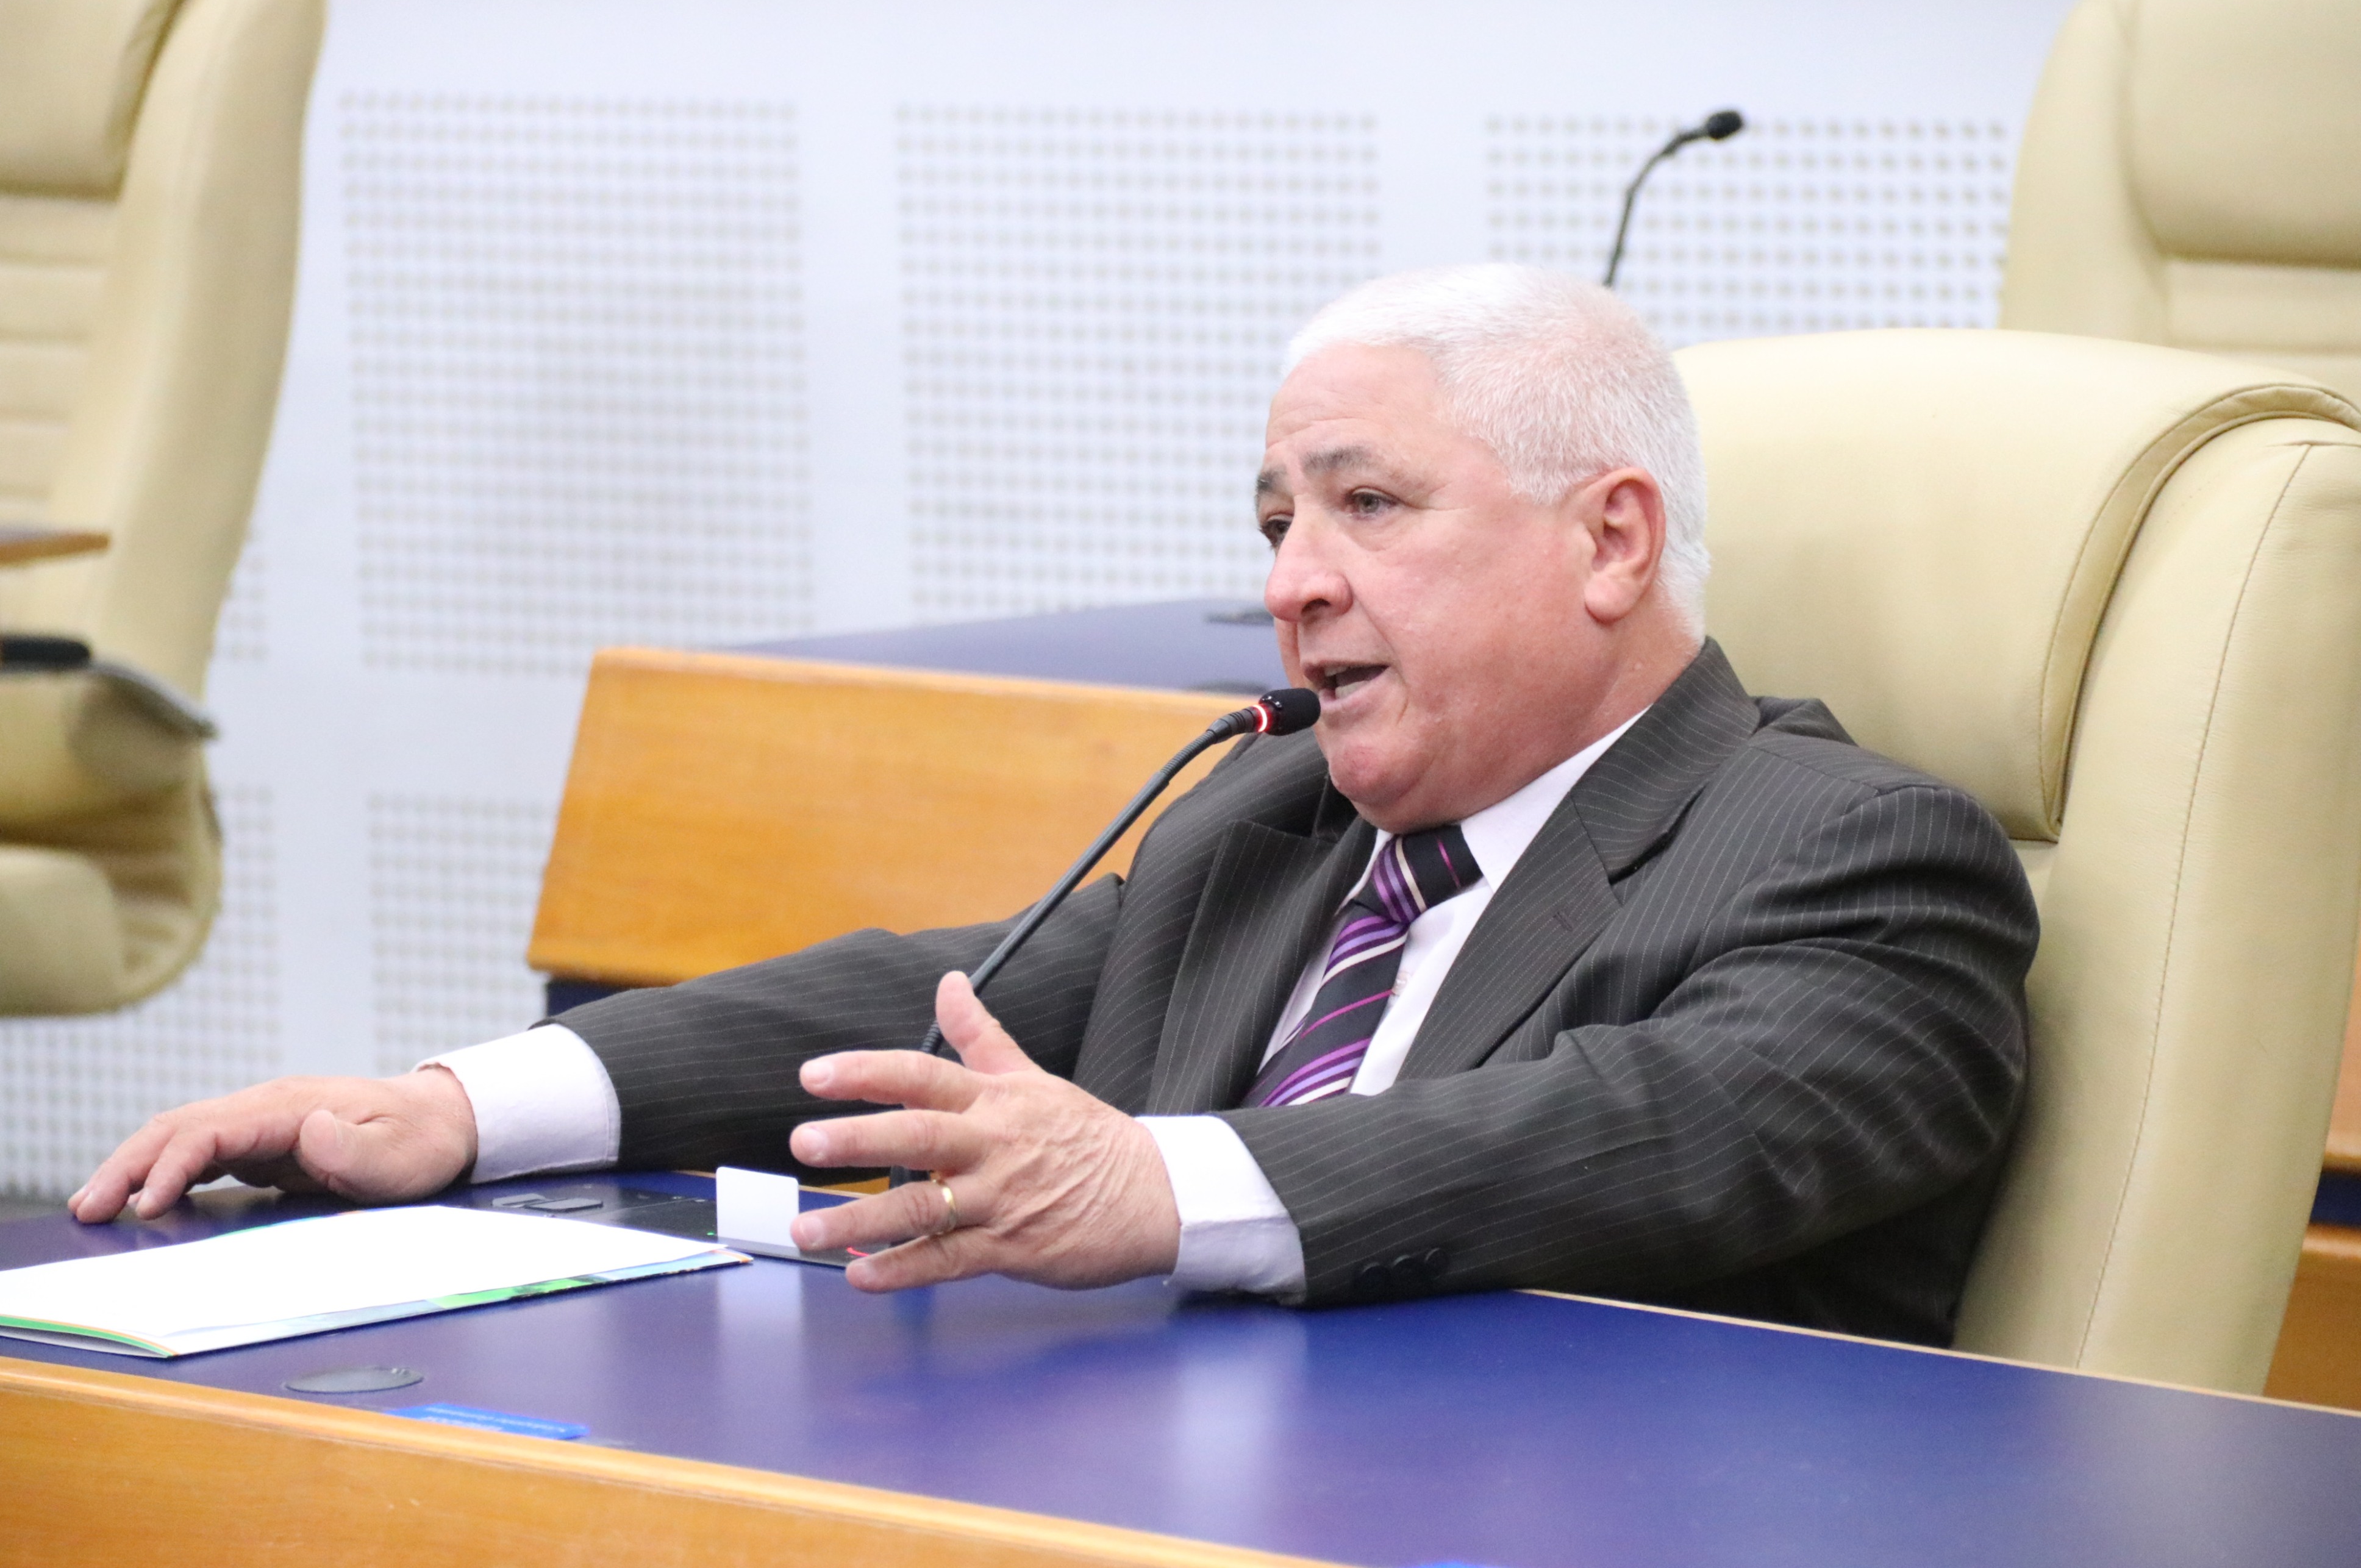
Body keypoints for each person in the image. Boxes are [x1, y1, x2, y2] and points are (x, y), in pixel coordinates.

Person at [70, 265, 2036, 1345]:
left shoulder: (1858, 857)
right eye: (1276, 524)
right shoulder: (1279, 827)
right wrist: (460, 1107)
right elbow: (936, 1005)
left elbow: (1628, 1136)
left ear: (1611, 541)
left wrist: (1155, 1183)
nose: (1293, 584)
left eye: (1368, 506)